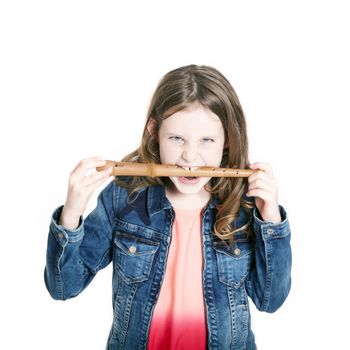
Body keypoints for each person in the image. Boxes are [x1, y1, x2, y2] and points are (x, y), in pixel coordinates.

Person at [44, 64, 292, 350]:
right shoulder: (124, 197)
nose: (190, 156)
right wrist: (71, 214)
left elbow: (270, 301)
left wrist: (271, 220)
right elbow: (63, 287)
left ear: (227, 142)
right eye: (176, 139)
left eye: (207, 140)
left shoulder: (245, 207)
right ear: (154, 131)